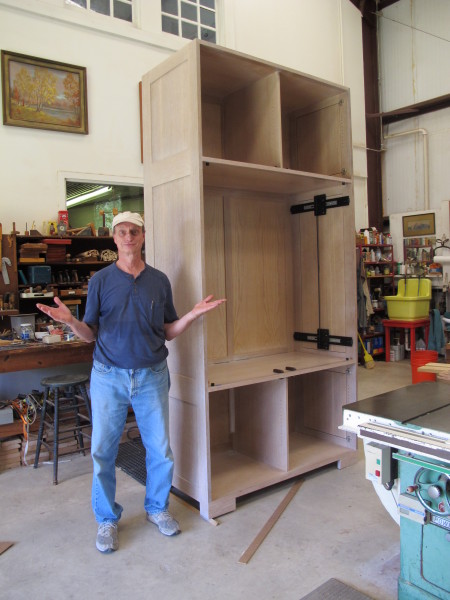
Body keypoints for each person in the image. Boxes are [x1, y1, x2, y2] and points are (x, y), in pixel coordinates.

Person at [36, 211, 225, 553]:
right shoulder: (100, 281)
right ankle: (107, 519)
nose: (128, 237)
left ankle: (157, 508)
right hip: (108, 377)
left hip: (152, 375)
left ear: (142, 236)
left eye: (134, 231)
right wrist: (70, 322)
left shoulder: (159, 281)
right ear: (114, 238)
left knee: (160, 450)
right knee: (103, 451)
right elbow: (90, 334)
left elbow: (168, 331)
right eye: (121, 231)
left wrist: (192, 316)